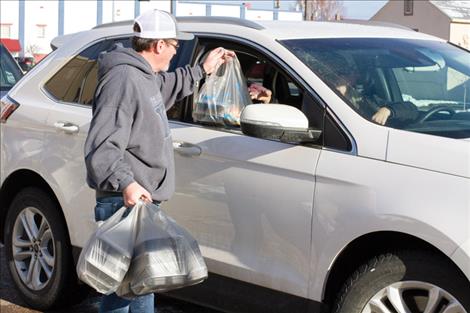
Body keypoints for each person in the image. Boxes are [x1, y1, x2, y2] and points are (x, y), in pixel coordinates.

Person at [84, 9, 234, 313]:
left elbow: (167, 88)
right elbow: (102, 146)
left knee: (140, 287)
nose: (176, 51)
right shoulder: (123, 78)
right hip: (124, 203)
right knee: (123, 294)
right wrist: (127, 184)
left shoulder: (144, 76)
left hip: (140, 202)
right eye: (175, 45)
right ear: (158, 46)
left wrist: (203, 69)